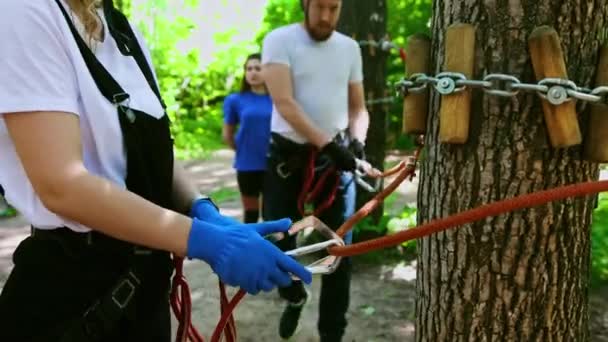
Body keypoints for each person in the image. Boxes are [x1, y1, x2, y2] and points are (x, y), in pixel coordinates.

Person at [0, 1, 311, 341]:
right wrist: (203, 240)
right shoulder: (24, 12)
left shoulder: (122, 30)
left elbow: (151, 149)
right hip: (72, 305)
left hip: (144, 295)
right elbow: (62, 184)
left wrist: (200, 208)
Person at [261, 0, 377, 340]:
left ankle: (332, 335)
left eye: (334, 8)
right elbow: (284, 103)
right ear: (305, 4)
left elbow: (359, 108)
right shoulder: (279, 40)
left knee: (340, 253)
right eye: (320, 7)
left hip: (335, 163)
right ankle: (294, 296)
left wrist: (357, 142)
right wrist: (329, 145)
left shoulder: (349, 48)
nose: (326, 16)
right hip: (288, 160)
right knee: (279, 244)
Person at [222, 53, 273, 223]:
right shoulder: (235, 99)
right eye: (249, 68)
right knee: (251, 214)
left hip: (275, 163)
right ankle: (249, 247)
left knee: (271, 213)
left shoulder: (279, 98)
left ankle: (273, 248)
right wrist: (242, 148)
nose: (253, 72)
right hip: (247, 163)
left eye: (258, 68)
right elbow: (227, 133)